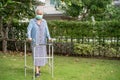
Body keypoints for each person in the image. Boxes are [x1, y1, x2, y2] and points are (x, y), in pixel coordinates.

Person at [27, 8, 51, 77]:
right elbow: (29, 29)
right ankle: (37, 71)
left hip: (43, 42)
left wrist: (49, 37)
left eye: (41, 14)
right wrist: (29, 37)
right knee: (36, 56)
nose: (39, 15)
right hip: (35, 42)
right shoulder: (32, 21)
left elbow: (47, 31)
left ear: (42, 14)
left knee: (41, 56)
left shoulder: (44, 21)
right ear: (36, 14)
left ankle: (39, 69)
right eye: (38, 14)